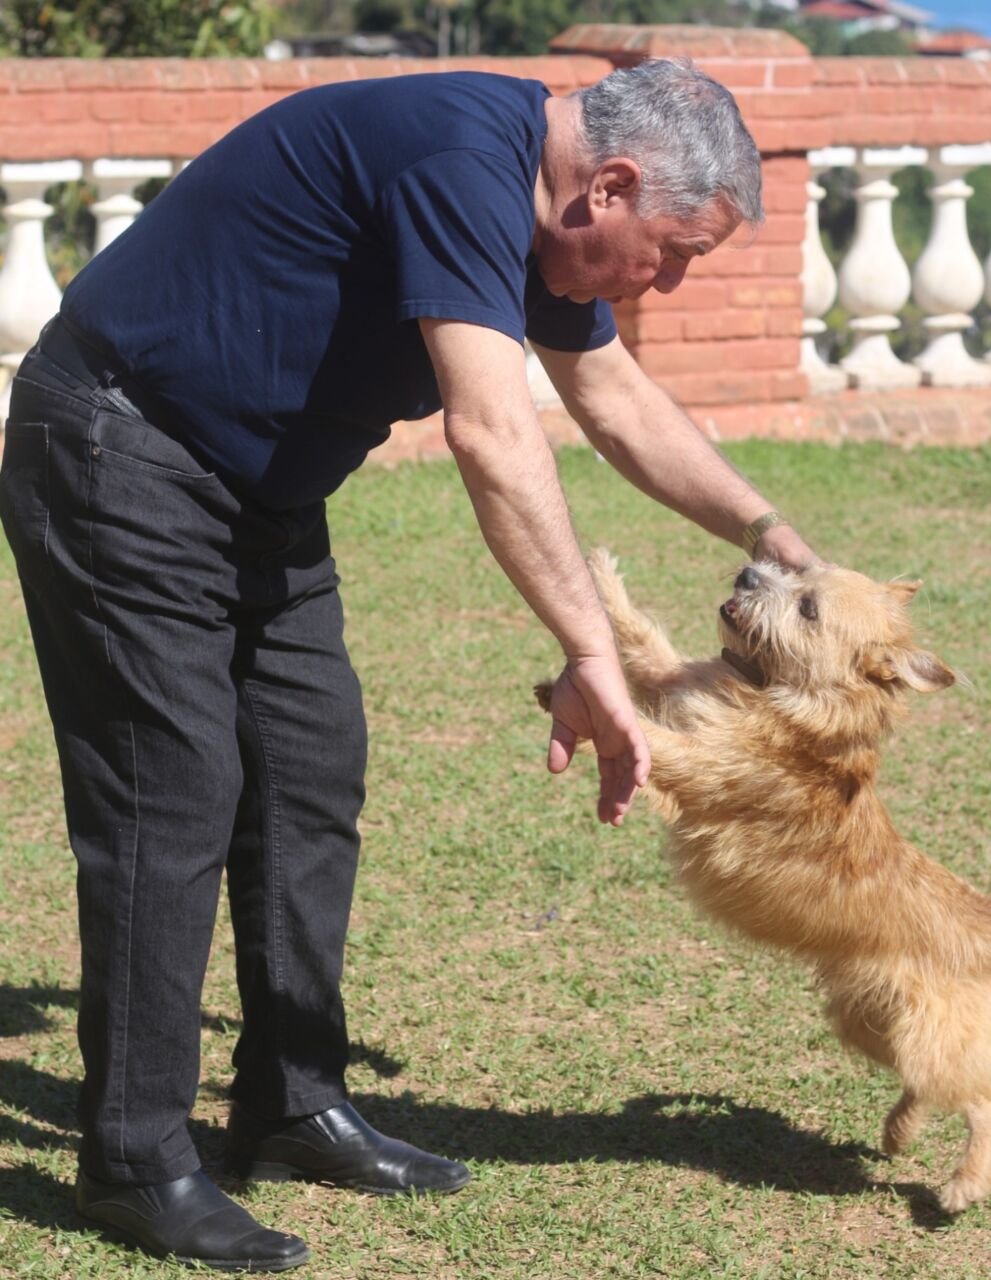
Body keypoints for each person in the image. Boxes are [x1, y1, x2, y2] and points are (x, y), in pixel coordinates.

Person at [0, 59, 818, 1270]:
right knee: (167, 792)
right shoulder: (459, 160)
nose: (673, 278)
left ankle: (288, 1098)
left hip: (257, 490)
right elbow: (492, 429)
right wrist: (590, 650)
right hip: (121, 448)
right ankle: (131, 1152)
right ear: (611, 185)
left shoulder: (537, 197)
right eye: (676, 249)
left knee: (307, 772)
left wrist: (770, 534)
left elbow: (611, 398)